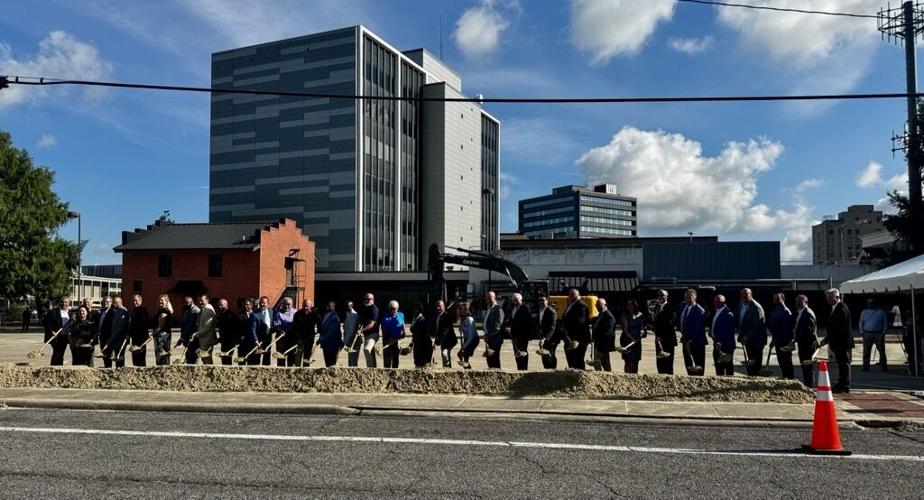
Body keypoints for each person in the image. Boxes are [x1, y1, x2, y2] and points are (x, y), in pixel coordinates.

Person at [821, 288, 853, 393]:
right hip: (838, 342)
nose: (828, 300)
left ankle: (844, 385)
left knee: (844, 364)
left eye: (830, 298)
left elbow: (838, 329)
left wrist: (828, 340)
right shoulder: (835, 308)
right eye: (827, 298)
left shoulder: (841, 309)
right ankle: (841, 383)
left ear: (837, 297)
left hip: (842, 343)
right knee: (841, 364)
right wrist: (827, 339)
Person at [737, 288, 767, 377]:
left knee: (755, 365)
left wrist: (746, 337)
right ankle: (751, 382)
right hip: (747, 341)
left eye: (746, 294)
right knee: (750, 364)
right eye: (742, 294)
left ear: (751, 294)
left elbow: (757, 326)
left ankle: (757, 384)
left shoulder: (756, 307)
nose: (744, 296)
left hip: (756, 341)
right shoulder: (741, 304)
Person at [679, 289, 707, 376]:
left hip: (696, 343)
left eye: (690, 297)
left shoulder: (699, 310)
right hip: (685, 340)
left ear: (695, 298)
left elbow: (699, 329)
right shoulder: (683, 307)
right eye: (686, 297)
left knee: (698, 367)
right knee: (689, 365)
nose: (687, 299)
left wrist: (690, 340)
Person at [793, 294, 818, 388]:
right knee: (805, 367)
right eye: (797, 301)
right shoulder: (801, 312)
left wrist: (799, 339)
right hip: (803, 344)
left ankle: (810, 386)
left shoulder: (807, 313)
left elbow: (809, 332)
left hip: (808, 345)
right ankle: (808, 385)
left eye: (800, 301)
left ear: (805, 302)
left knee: (808, 368)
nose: (797, 303)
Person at [562, 288, 591, 370]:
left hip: (578, 339)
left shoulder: (581, 305)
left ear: (578, 295)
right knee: (571, 361)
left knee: (577, 361)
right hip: (569, 338)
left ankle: (579, 379)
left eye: (572, 294)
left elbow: (580, 323)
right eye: (569, 294)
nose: (570, 296)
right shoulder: (571, 304)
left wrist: (574, 340)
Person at [651, 290, 678, 374]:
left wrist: (660, 335)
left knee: (668, 364)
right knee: (660, 362)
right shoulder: (657, 307)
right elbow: (655, 322)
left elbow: (670, 323)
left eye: (662, 295)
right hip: (658, 340)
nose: (660, 297)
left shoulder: (671, 307)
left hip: (668, 339)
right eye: (659, 295)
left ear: (666, 296)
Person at [769, 293, 795, 379]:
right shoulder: (775, 310)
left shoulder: (786, 311)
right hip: (778, 341)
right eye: (774, 299)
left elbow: (786, 330)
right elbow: (775, 327)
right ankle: (785, 378)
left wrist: (777, 340)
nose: (775, 301)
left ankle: (790, 379)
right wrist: (773, 339)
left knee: (786, 363)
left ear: (782, 299)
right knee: (782, 363)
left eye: (777, 299)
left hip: (785, 342)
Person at [859, 297, 888, 372]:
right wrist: (862, 331)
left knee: (881, 351)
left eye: (872, 303)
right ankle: (866, 366)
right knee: (866, 351)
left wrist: (884, 332)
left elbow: (885, 322)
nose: (870, 304)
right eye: (869, 303)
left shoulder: (881, 312)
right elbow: (861, 322)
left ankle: (883, 366)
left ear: (875, 303)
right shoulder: (864, 312)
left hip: (878, 333)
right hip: (867, 333)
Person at [710, 294, 736, 376]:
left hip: (726, 345)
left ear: (723, 302)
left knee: (728, 367)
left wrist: (720, 342)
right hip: (717, 343)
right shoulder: (716, 311)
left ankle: (730, 383)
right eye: (715, 302)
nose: (716, 303)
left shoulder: (728, 314)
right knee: (719, 366)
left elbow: (727, 331)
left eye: (718, 302)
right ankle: (720, 382)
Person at [42, 295, 72, 366]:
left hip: (65, 337)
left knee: (61, 353)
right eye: (62, 302)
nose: (64, 304)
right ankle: (54, 368)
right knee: (57, 352)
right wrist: (51, 331)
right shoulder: (53, 312)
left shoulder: (70, 314)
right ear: (59, 303)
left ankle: (59, 367)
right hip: (56, 337)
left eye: (66, 302)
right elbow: (46, 323)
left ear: (68, 303)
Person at [590, 298, 616, 371]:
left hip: (603, 345)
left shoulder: (609, 316)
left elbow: (609, 333)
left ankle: (608, 379)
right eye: (596, 305)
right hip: (598, 344)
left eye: (599, 305)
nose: (597, 307)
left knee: (605, 364)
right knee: (597, 364)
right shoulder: (600, 315)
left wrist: (602, 349)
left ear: (605, 305)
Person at [506, 293, 531, 371]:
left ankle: (524, 370)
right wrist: (509, 327)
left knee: (523, 353)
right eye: (513, 300)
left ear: (521, 299)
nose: (515, 301)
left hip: (522, 336)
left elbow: (527, 323)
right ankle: (519, 369)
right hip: (514, 336)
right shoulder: (513, 308)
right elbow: (511, 320)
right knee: (517, 353)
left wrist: (527, 336)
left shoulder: (525, 308)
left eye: (517, 300)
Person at [191, 294, 217, 365]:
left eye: (202, 301)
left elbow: (207, 328)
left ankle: (210, 375)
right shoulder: (203, 309)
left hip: (207, 340)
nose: (200, 302)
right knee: (205, 360)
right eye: (199, 301)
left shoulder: (209, 310)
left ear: (207, 300)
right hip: (202, 339)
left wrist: (196, 334)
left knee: (207, 360)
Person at [291, 298, 318, 367]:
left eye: (307, 306)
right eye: (304, 306)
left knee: (307, 355)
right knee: (298, 354)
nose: (305, 308)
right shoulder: (297, 314)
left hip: (310, 338)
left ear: (311, 306)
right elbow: (295, 327)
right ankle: (297, 370)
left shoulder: (314, 314)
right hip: (299, 338)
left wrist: (320, 332)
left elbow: (320, 323)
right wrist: (298, 339)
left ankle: (306, 370)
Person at [483, 291, 505, 369]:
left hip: (495, 339)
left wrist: (487, 335)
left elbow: (497, 328)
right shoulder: (488, 308)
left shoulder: (498, 309)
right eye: (487, 298)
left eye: (490, 297)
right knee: (489, 360)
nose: (488, 299)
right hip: (489, 339)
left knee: (494, 360)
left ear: (494, 298)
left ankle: (498, 378)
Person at [126, 294, 150, 367]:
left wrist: (141, 343)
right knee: (135, 360)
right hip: (134, 339)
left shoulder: (143, 310)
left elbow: (144, 325)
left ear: (140, 300)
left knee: (141, 360)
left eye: (136, 301)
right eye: (133, 301)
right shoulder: (133, 310)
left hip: (141, 340)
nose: (134, 302)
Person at [380, 300, 405, 369]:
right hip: (388, 340)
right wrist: (389, 338)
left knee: (396, 358)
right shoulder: (385, 316)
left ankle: (395, 371)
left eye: (395, 309)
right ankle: (387, 372)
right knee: (387, 359)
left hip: (397, 340)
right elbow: (383, 329)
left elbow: (403, 324)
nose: (393, 311)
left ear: (398, 308)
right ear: (389, 308)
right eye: (391, 309)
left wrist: (404, 332)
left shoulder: (401, 315)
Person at [357, 293, 380, 368]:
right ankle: (373, 368)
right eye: (365, 299)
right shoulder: (366, 308)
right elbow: (363, 320)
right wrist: (360, 326)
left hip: (373, 334)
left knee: (367, 350)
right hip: (367, 335)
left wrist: (361, 330)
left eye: (368, 299)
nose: (366, 300)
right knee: (370, 352)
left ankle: (370, 369)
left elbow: (371, 324)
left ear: (372, 300)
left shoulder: (374, 309)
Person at [106, 297, 130, 368]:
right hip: (115, 338)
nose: (114, 304)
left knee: (120, 357)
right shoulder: (117, 311)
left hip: (121, 338)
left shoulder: (124, 311)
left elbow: (122, 326)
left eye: (116, 302)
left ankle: (120, 371)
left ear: (120, 302)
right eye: (114, 302)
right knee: (116, 356)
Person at [272, 298, 297, 366]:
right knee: (280, 356)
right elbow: (276, 325)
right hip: (281, 338)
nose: (286, 306)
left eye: (288, 304)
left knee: (291, 356)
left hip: (292, 338)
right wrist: (280, 331)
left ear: (292, 304)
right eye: (285, 304)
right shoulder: (278, 313)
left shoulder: (295, 312)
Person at [536, 296, 559, 369]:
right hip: (543, 338)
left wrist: (545, 338)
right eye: (539, 300)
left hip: (551, 338)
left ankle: (552, 372)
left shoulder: (551, 311)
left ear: (547, 300)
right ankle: (546, 371)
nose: (541, 302)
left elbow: (552, 328)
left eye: (543, 300)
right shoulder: (539, 310)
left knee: (550, 355)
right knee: (544, 356)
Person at [318, 301, 342, 367]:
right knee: (327, 364)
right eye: (327, 306)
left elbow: (332, 331)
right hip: (326, 344)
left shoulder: (335, 316)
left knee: (332, 364)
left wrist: (322, 338)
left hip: (333, 344)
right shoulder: (326, 315)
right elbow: (323, 328)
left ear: (333, 307)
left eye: (329, 306)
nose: (327, 307)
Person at [433, 300, 457, 367]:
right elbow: (437, 331)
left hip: (450, 340)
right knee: (444, 355)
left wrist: (438, 342)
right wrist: (435, 342)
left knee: (445, 354)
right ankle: (446, 368)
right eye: (437, 306)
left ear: (443, 306)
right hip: (443, 341)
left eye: (440, 306)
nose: (438, 308)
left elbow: (445, 331)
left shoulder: (447, 316)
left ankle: (447, 370)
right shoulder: (437, 316)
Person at [238, 299, 262, 365]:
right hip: (243, 341)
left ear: (251, 305)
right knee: (242, 360)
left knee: (253, 360)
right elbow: (237, 328)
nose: (246, 306)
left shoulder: (256, 314)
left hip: (253, 341)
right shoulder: (239, 315)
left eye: (247, 305)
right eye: (244, 305)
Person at [216, 298, 239, 365]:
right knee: (223, 357)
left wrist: (235, 339)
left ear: (226, 305)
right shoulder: (221, 314)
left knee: (227, 357)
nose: (220, 307)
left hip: (230, 340)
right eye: (219, 305)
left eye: (222, 305)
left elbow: (235, 327)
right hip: (224, 341)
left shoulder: (230, 314)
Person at [178, 297, 200, 363]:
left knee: (193, 356)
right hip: (186, 338)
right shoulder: (186, 311)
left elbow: (193, 326)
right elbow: (184, 325)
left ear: (192, 302)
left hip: (193, 338)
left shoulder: (196, 311)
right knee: (188, 356)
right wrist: (182, 337)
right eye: (184, 303)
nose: (185, 304)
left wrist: (192, 334)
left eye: (187, 303)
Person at [409, 302, 431, 368]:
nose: (414, 311)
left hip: (424, 347)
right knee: (417, 364)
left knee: (422, 365)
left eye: (416, 309)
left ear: (419, 310)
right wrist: (411, 344)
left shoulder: (422, 321)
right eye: (413, 309)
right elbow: (415, 335)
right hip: (417, 345)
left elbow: (424, 336)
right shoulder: (414, 319)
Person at [153, 294, 174, 366]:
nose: (160, 301)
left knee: (162, 356)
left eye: (162, 300)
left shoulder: (165, 312)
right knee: (159, 356)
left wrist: (152, 334)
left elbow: (160, 326)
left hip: (163, 337)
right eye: (159, 299)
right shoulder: (161, 310)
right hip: (159, 336)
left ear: (166, 301)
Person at [341, 301, 363, 367]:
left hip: (354, 342)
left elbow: (350, 331)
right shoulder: (350, 314)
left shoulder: (353, 316)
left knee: (352, 362)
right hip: (351, 341)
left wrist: (344, 343)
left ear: (351, 307)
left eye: (349, 307)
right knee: (352, 361)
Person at [458, 302, 479, 369]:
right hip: (467, 338)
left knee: (464, 354)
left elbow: (471, 336)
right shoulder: (463, 319)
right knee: (462, 355)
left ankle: (469, 371)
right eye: (461, 309)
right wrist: (461, 328)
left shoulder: (469, 320)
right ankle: (467, 370)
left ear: (468, 310)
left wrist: (463, 348)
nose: (463, 311)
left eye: (465, 309)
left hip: (473, 339)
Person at [95, 296, 114, 367]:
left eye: (107, 302)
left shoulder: (113, 312)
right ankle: (106, 368)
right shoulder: (100, 312)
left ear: (111, 303)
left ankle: (109, 370)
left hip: (109, 338)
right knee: (104, 356)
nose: (105, 303)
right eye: (104, 302)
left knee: (108, 356)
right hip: (102, 337)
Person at [256, 296, 273, 365]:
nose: (262, 304)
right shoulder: (255, 313)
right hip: (258, 338)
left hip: (268, 337)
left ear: (268, 303)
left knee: (267, 356)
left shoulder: (271, 311)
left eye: (264, 303)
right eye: (260, 302)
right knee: (257, 356)